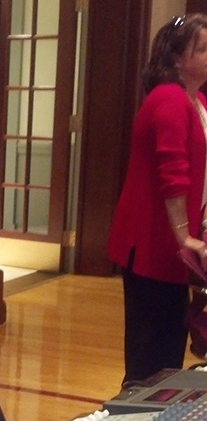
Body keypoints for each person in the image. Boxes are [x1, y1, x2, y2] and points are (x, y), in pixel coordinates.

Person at [108, 14, 207, 385]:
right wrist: (184, 236)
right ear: (177, 58)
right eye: (202, 48)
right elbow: (173, 172)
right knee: (149, 357)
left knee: (167, 350)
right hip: (152, 246)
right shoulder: (168, 98)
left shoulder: (195, 100)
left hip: (171, 250)